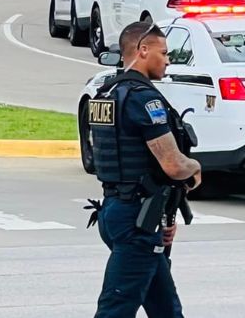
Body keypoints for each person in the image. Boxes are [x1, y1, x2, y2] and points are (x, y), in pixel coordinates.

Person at [88, 21, 200, 318]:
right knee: (116, 310)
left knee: (166, 309)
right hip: (137, 221)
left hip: (118, 210)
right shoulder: (143, 98)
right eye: (163, 52)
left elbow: (103, 157)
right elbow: (173, 165)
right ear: (143, 50)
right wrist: (196, 167)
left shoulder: (105, 94)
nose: (167, 59)